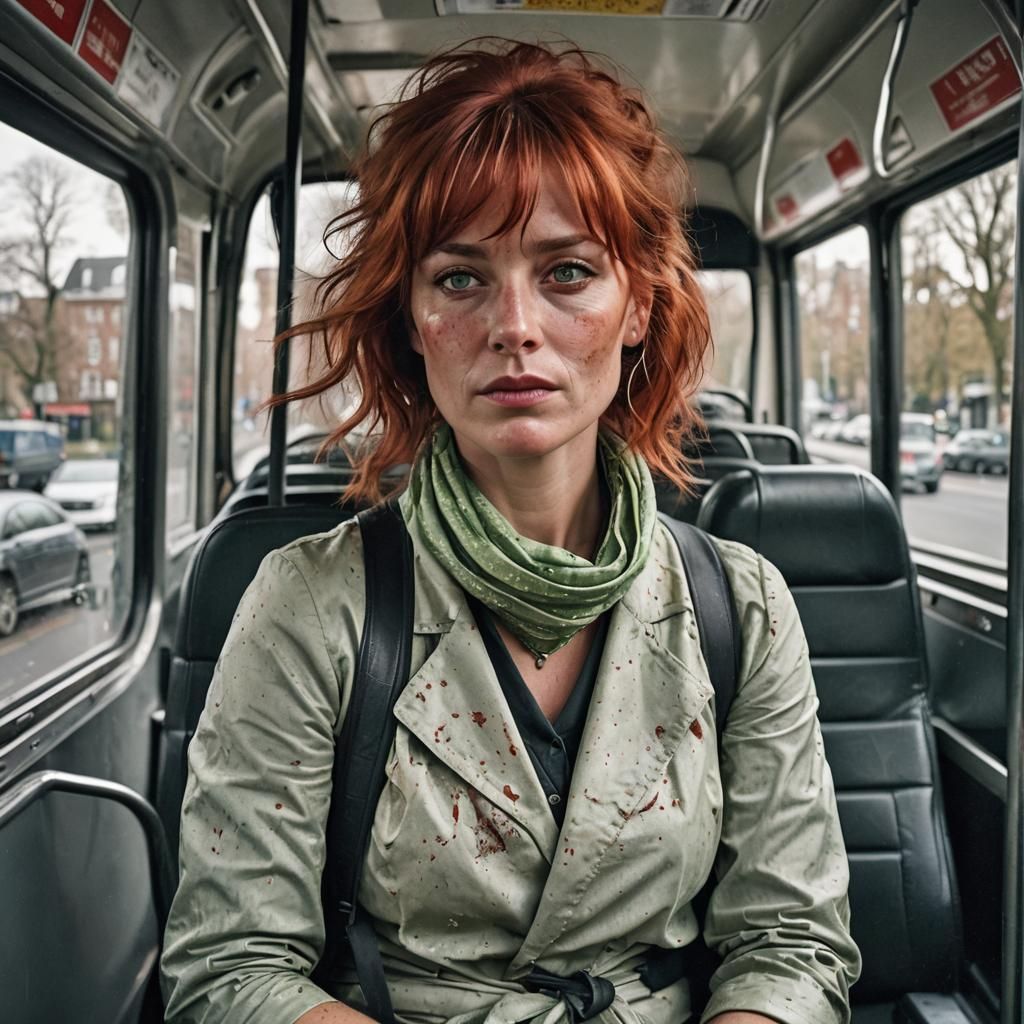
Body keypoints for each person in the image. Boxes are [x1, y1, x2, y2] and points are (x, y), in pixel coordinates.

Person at [161, 39, 860, 1024]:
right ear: (408, 317)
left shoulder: (738, 607)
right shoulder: (311, 602)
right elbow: (231, 966)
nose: (513, 324)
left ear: (636, 307)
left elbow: (787, 940)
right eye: (459, 279)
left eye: (567, 271)